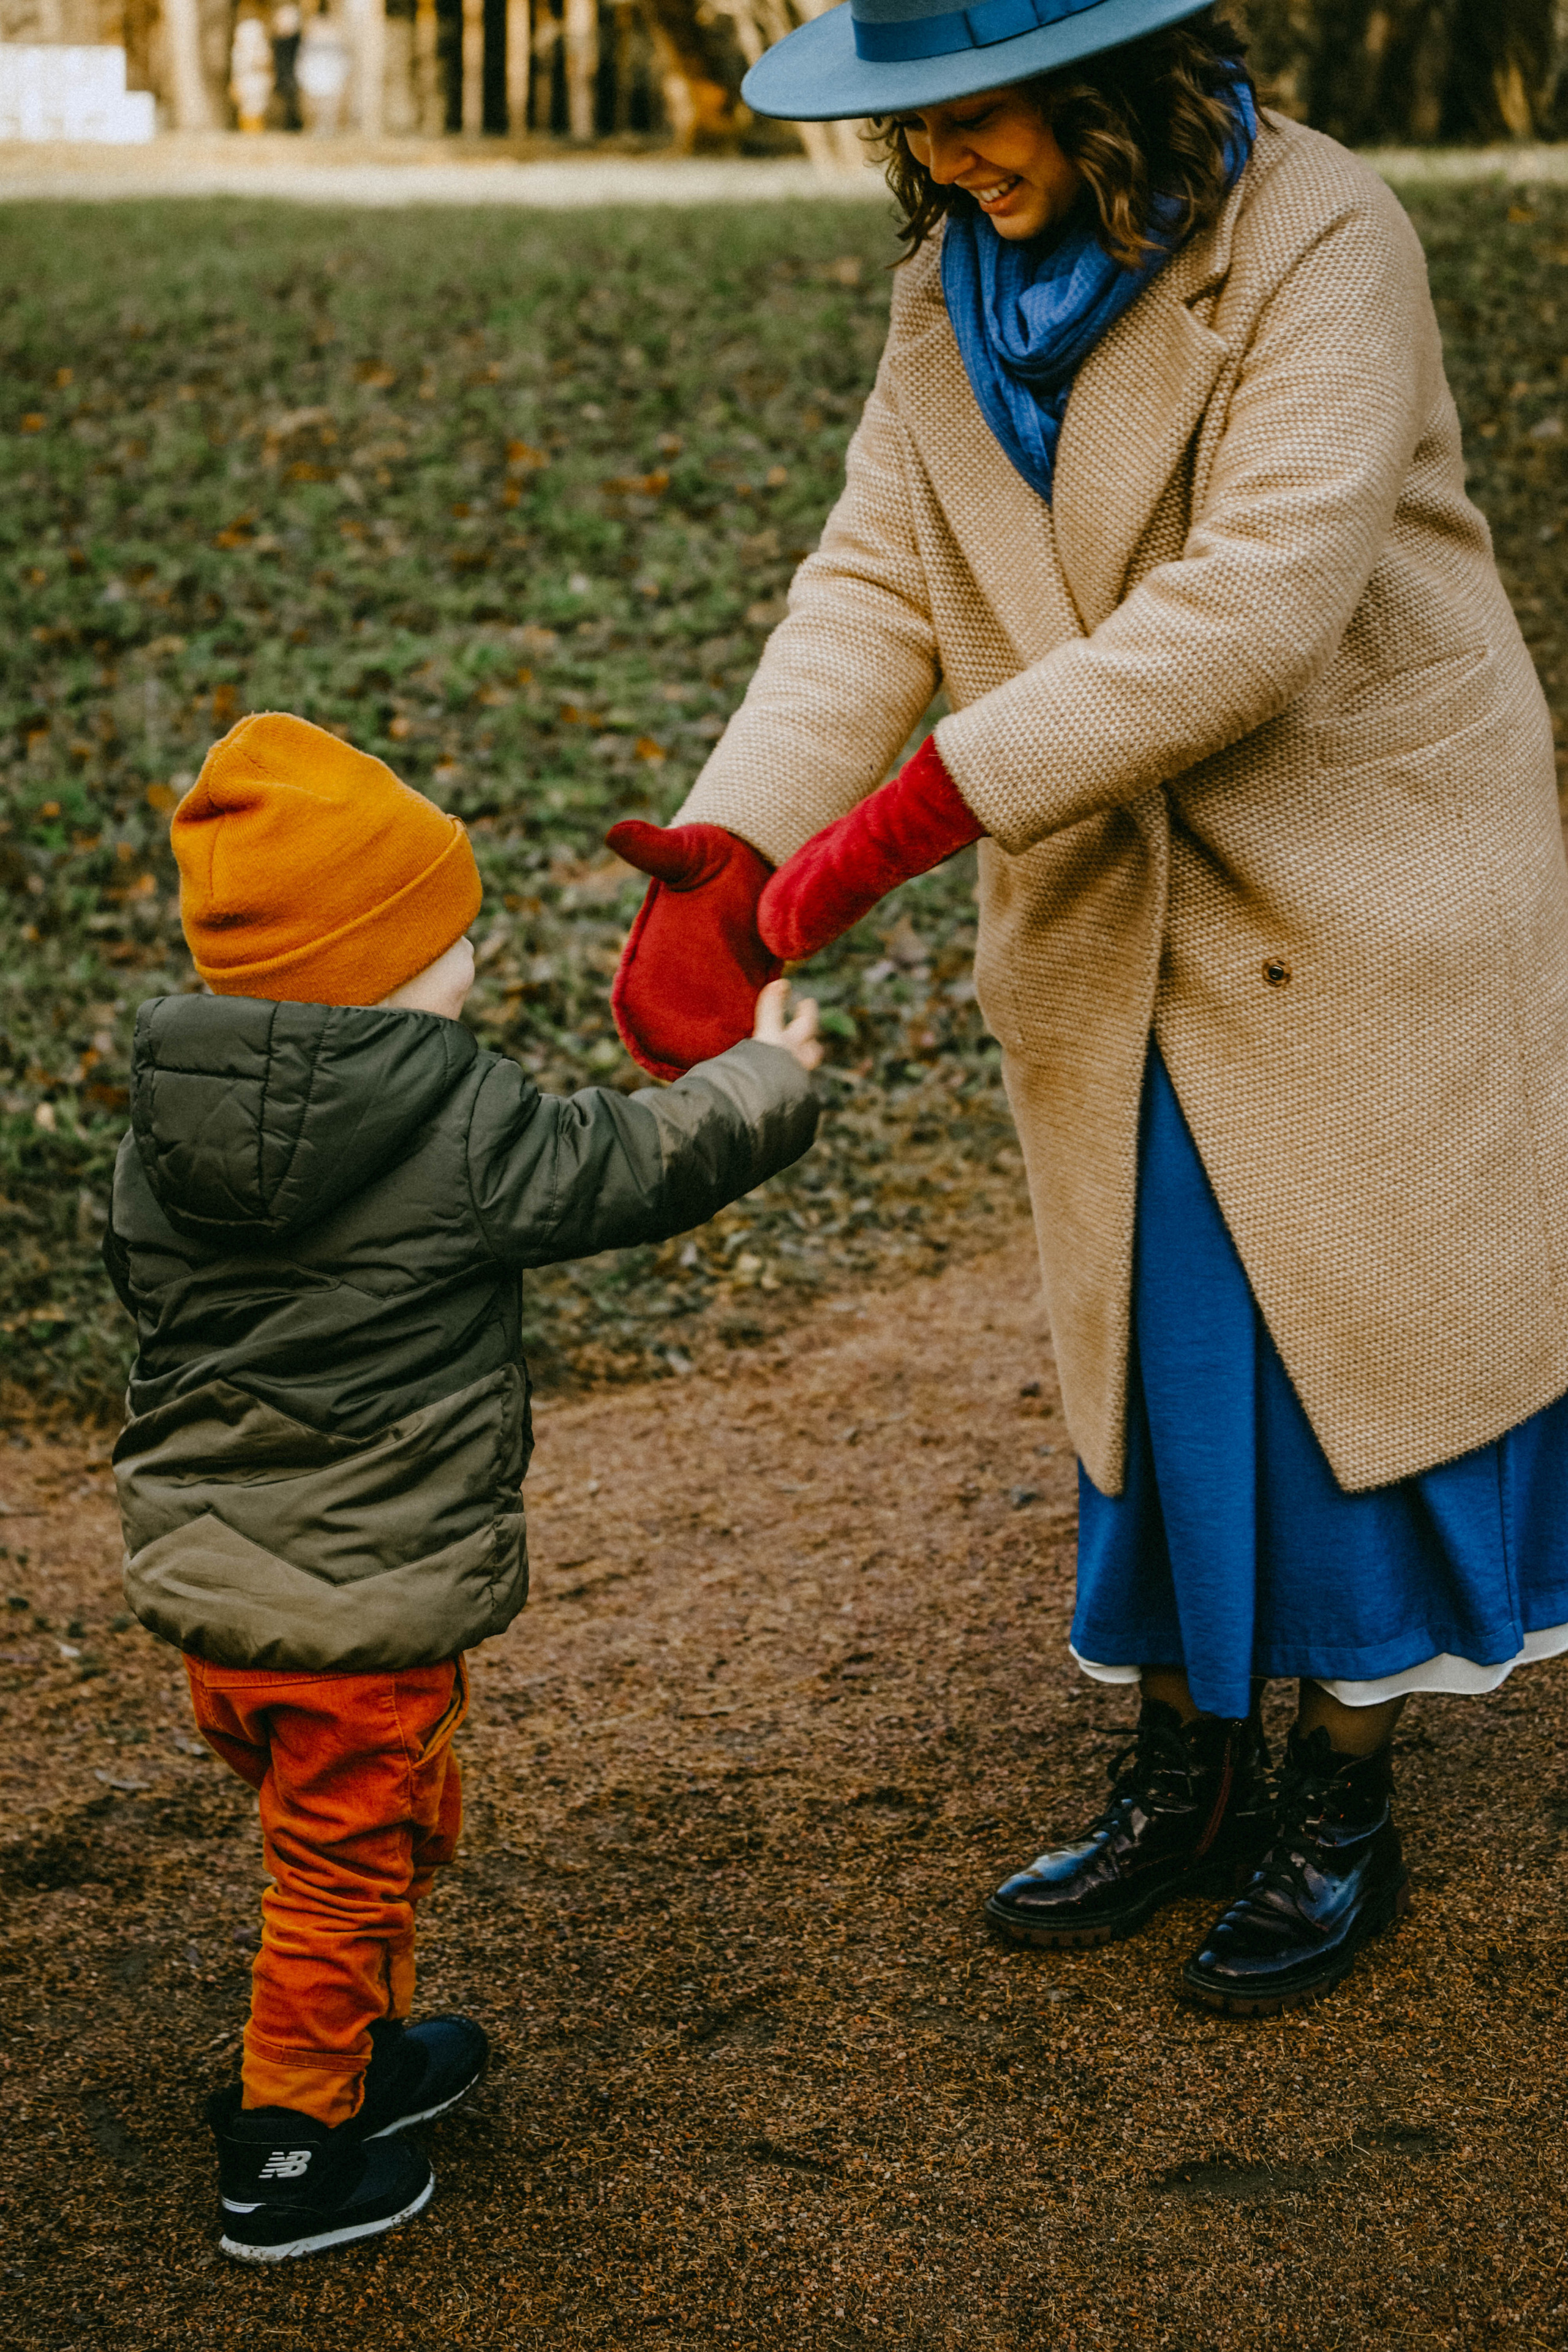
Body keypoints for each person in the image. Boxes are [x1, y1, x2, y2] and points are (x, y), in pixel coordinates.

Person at [608, 0, 1568, 2018]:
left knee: (1338, 1334)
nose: (949, 157)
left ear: (1108, 84)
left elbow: (1257, 605)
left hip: (1350, 861)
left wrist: (904, 824)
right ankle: (1180, 1761)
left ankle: (1340, 1790)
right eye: (918, 124)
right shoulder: (945, 287)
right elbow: (876, 569)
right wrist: (741, 835)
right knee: (1152, 1323)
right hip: (1100, 871)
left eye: (977, 114)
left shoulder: (1321, 237)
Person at [104, 713, 821, 2260]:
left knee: (351, 1836)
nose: (473, 962)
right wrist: (767, 1077)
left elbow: (141, 1284)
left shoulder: (161, 1124)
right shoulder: (452, 1116)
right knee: (343, 1867)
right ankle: (290, 2153)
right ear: (377, 970)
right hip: (363, 1603)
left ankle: (348, 2063)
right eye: (450, 939)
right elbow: (631, 1164)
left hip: (220, 1598)